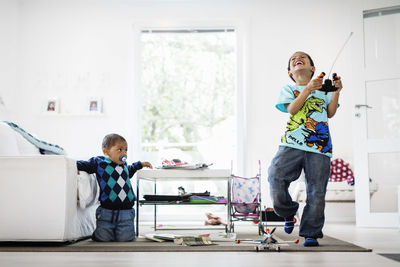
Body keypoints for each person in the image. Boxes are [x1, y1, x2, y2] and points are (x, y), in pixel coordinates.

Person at [267, 51, 342, 247]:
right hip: (291, 143)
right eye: (292, 59)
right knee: (275, 175)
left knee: (316, 191)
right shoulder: (289, 89)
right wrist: (307, 89)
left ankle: (311, 232)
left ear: (313, 69)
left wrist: (336, 92)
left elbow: (330, 113)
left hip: (320, 147)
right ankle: (288, 211)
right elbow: (292, 109)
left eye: (302, 57)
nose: (296, 59)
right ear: (290, 72)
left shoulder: (325, 91)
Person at [77, 133, 152, 242]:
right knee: (103, 237)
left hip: (126, 210)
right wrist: (70, 164)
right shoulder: (99, 163)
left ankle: (120, 232)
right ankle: (103, 233)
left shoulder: (124, 165)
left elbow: (129, 171)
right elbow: (83, 164)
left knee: (125, 238)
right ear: (106, 151)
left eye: (126, 150)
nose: (124, 153)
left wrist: (140, 164)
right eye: (120, 150)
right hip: (107, 209)